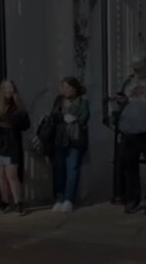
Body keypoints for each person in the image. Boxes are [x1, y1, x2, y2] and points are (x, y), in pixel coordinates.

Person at [0, 80, 30, 215]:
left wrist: (7, 120)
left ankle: (19, 202)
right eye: (5, 88)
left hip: (12, 143)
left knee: (11, 175)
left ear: (14, 90)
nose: (8, 91)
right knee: (0, 175)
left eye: (10, 88)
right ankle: (5, 201)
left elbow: (25, 124)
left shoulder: (18, 105)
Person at [49, 76, 89, 213]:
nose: (65, 90)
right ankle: (59, 198)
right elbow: (53, 115)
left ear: (75, 89)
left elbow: (84, 116)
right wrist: (62, 117)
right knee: (59, 170)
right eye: (63, 87)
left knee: (72, 168)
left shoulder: (82, 101)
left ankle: (69, 199)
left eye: (68, 87)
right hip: (60, 139)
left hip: (75, 139)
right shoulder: (58, 101)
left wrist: (72, 114)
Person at [114, 57, 146, 214]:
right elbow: (123, 100)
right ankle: (132, 199)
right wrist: (121, 100)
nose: (136, 71)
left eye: (139, 68)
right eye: (135, 68)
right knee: (128, 165)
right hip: (129, 130)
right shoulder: (129, 82)